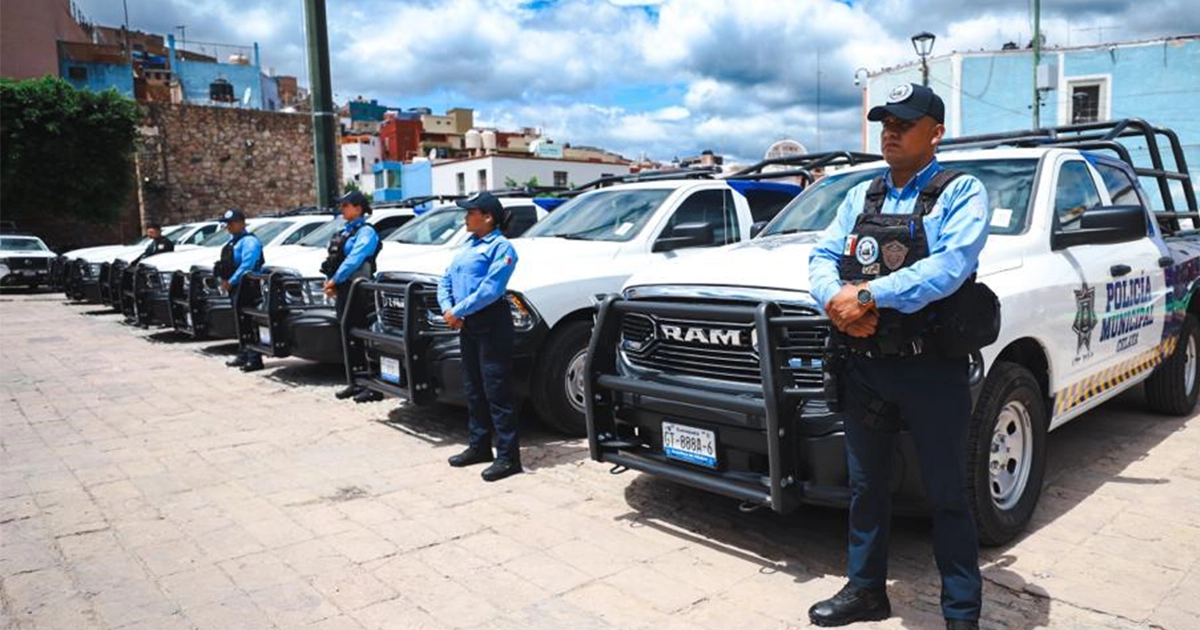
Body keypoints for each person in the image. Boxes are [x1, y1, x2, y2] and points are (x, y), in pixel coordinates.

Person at [806, 83, 990, 630]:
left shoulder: (962, 191)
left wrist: (866, 295)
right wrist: (833, 301)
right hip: (865, 365)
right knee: (866, 487)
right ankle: (866, 591)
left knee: (947, 495)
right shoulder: (862, 195)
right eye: (885, 121)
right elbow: (822, 253)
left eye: (904, 123)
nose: (890, 130)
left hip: (930, 369)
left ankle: (961, 613)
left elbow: (950, 265)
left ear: (935, 133)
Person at [437, 192, 522, 482]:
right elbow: (445, 279)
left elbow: (491, 289)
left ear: (487, 217)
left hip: (490, 323)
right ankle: (479, 446)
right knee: (473, 387)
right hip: (467, 323)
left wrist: (457, 311)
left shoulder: (501, 248)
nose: (465, 217)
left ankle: (509, 457)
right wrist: (449, 309)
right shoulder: (468, 246)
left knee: (497, 390)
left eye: (470, 212)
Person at [324, 191, 383, 401]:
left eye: (346, 205)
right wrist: (331, 280)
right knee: (347, 334)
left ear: (358, 208)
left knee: (364, 335)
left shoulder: (366, 232)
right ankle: (355, 380)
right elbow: (335, 258)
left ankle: (373, 384)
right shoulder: (346, 231)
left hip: (360, 289)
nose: (342, 209)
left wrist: (335, 279)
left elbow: (355, 259)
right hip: (345, 288)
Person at [216, 209, 266, 372]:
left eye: (231, 223)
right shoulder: (233, 241)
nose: (228, 227)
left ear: (241, 223)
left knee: (249, 322)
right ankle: (243, 353)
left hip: (247, 286)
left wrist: (231, 281)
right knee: (240, 321)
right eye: (227, 224)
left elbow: (247, 265)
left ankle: (254, 358)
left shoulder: (249, 242)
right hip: (235, 286)